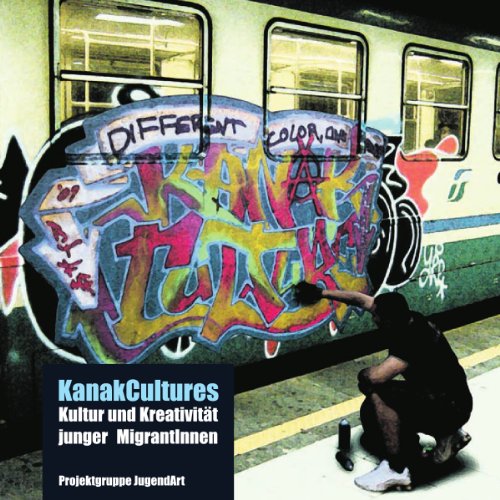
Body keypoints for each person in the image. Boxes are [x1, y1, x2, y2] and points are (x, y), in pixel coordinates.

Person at [293, 282, 473, 493]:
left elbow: (375, 378)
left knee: (377, 393)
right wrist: (322, 293)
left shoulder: (411, 339)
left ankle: (397, 469)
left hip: (450, 407)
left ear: (388, 321)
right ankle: (450, 434)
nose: (373, 319)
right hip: (455, 399)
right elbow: (361, 300)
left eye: (376, 318)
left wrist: (363, 374)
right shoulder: (407, 318)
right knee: (374, 406)